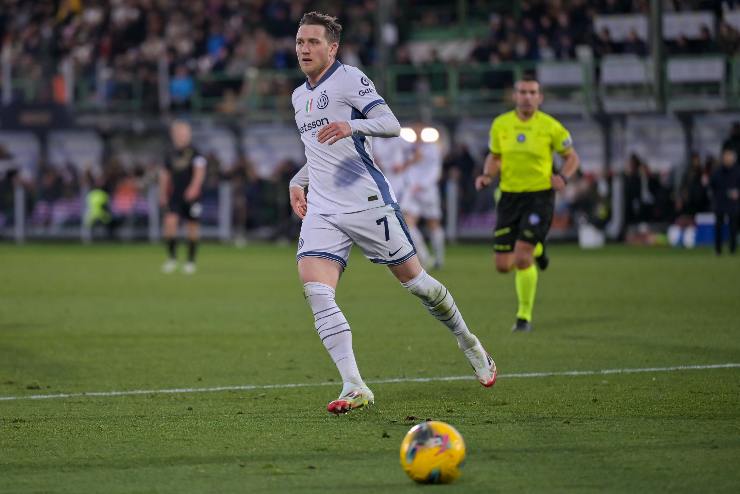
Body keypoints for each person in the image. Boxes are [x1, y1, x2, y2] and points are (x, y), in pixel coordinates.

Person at [288, 11, 497, 415]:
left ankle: (468, 341)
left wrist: (354, 126)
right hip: (324, 211)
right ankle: (354, 385)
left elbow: (391, 123)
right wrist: (298, 181)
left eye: (313, 42)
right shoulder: (299, 97)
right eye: (300, 42)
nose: (304, 49)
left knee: (419, 285)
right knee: (316, 291)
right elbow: (318, 153)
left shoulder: (349, 78)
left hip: (367, 203)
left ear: (332, 48)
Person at [475, 75, 580, 332]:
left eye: (533, 92)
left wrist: (563, 176)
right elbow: (495, 156)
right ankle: (539, 250)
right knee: (502, 266)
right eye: (523, 92)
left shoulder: (551, 127)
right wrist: (488, 175)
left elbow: (571, 157)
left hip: (539, 196)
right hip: (509, 197)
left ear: (540, 97)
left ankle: (523, 317)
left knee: (522, 258)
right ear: (515, 95)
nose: (527, 97)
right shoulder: (501, 124)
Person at [159, 120, 207, 274]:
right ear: (173, 135)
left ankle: (190, 261)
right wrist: (162, 193)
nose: (182, 136)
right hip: (174, 195)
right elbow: (164, 175)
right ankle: (172, 259)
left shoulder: (195, 152)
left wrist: (194, 188)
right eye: (179, 133)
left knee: (192, 227)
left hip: (192, 197)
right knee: (170, 223)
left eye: (184, 133)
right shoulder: (169, 153)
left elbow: (200, 171)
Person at [399, 123, 446, 269]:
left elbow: (436, 170)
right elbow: (404, 167)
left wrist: (424, 184)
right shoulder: (407, 149)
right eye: (414, 131)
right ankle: (424, 257)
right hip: (412, 190)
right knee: (408, 222)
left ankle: (439, 258)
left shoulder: (432, 148)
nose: (417, 134)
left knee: (433, 224)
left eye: (419, 131)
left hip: (427, 191)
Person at [710, 149, 740, 255]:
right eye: (726, 158)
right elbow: (711, 185)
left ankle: (732, 249)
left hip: (733, 204)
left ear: (733, 159)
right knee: (718, 227)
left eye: (729, 158)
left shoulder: (737, 172)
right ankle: (718, 249)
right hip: (720, 203)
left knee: (733, 227)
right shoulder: (717, 172)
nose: (727, 160)